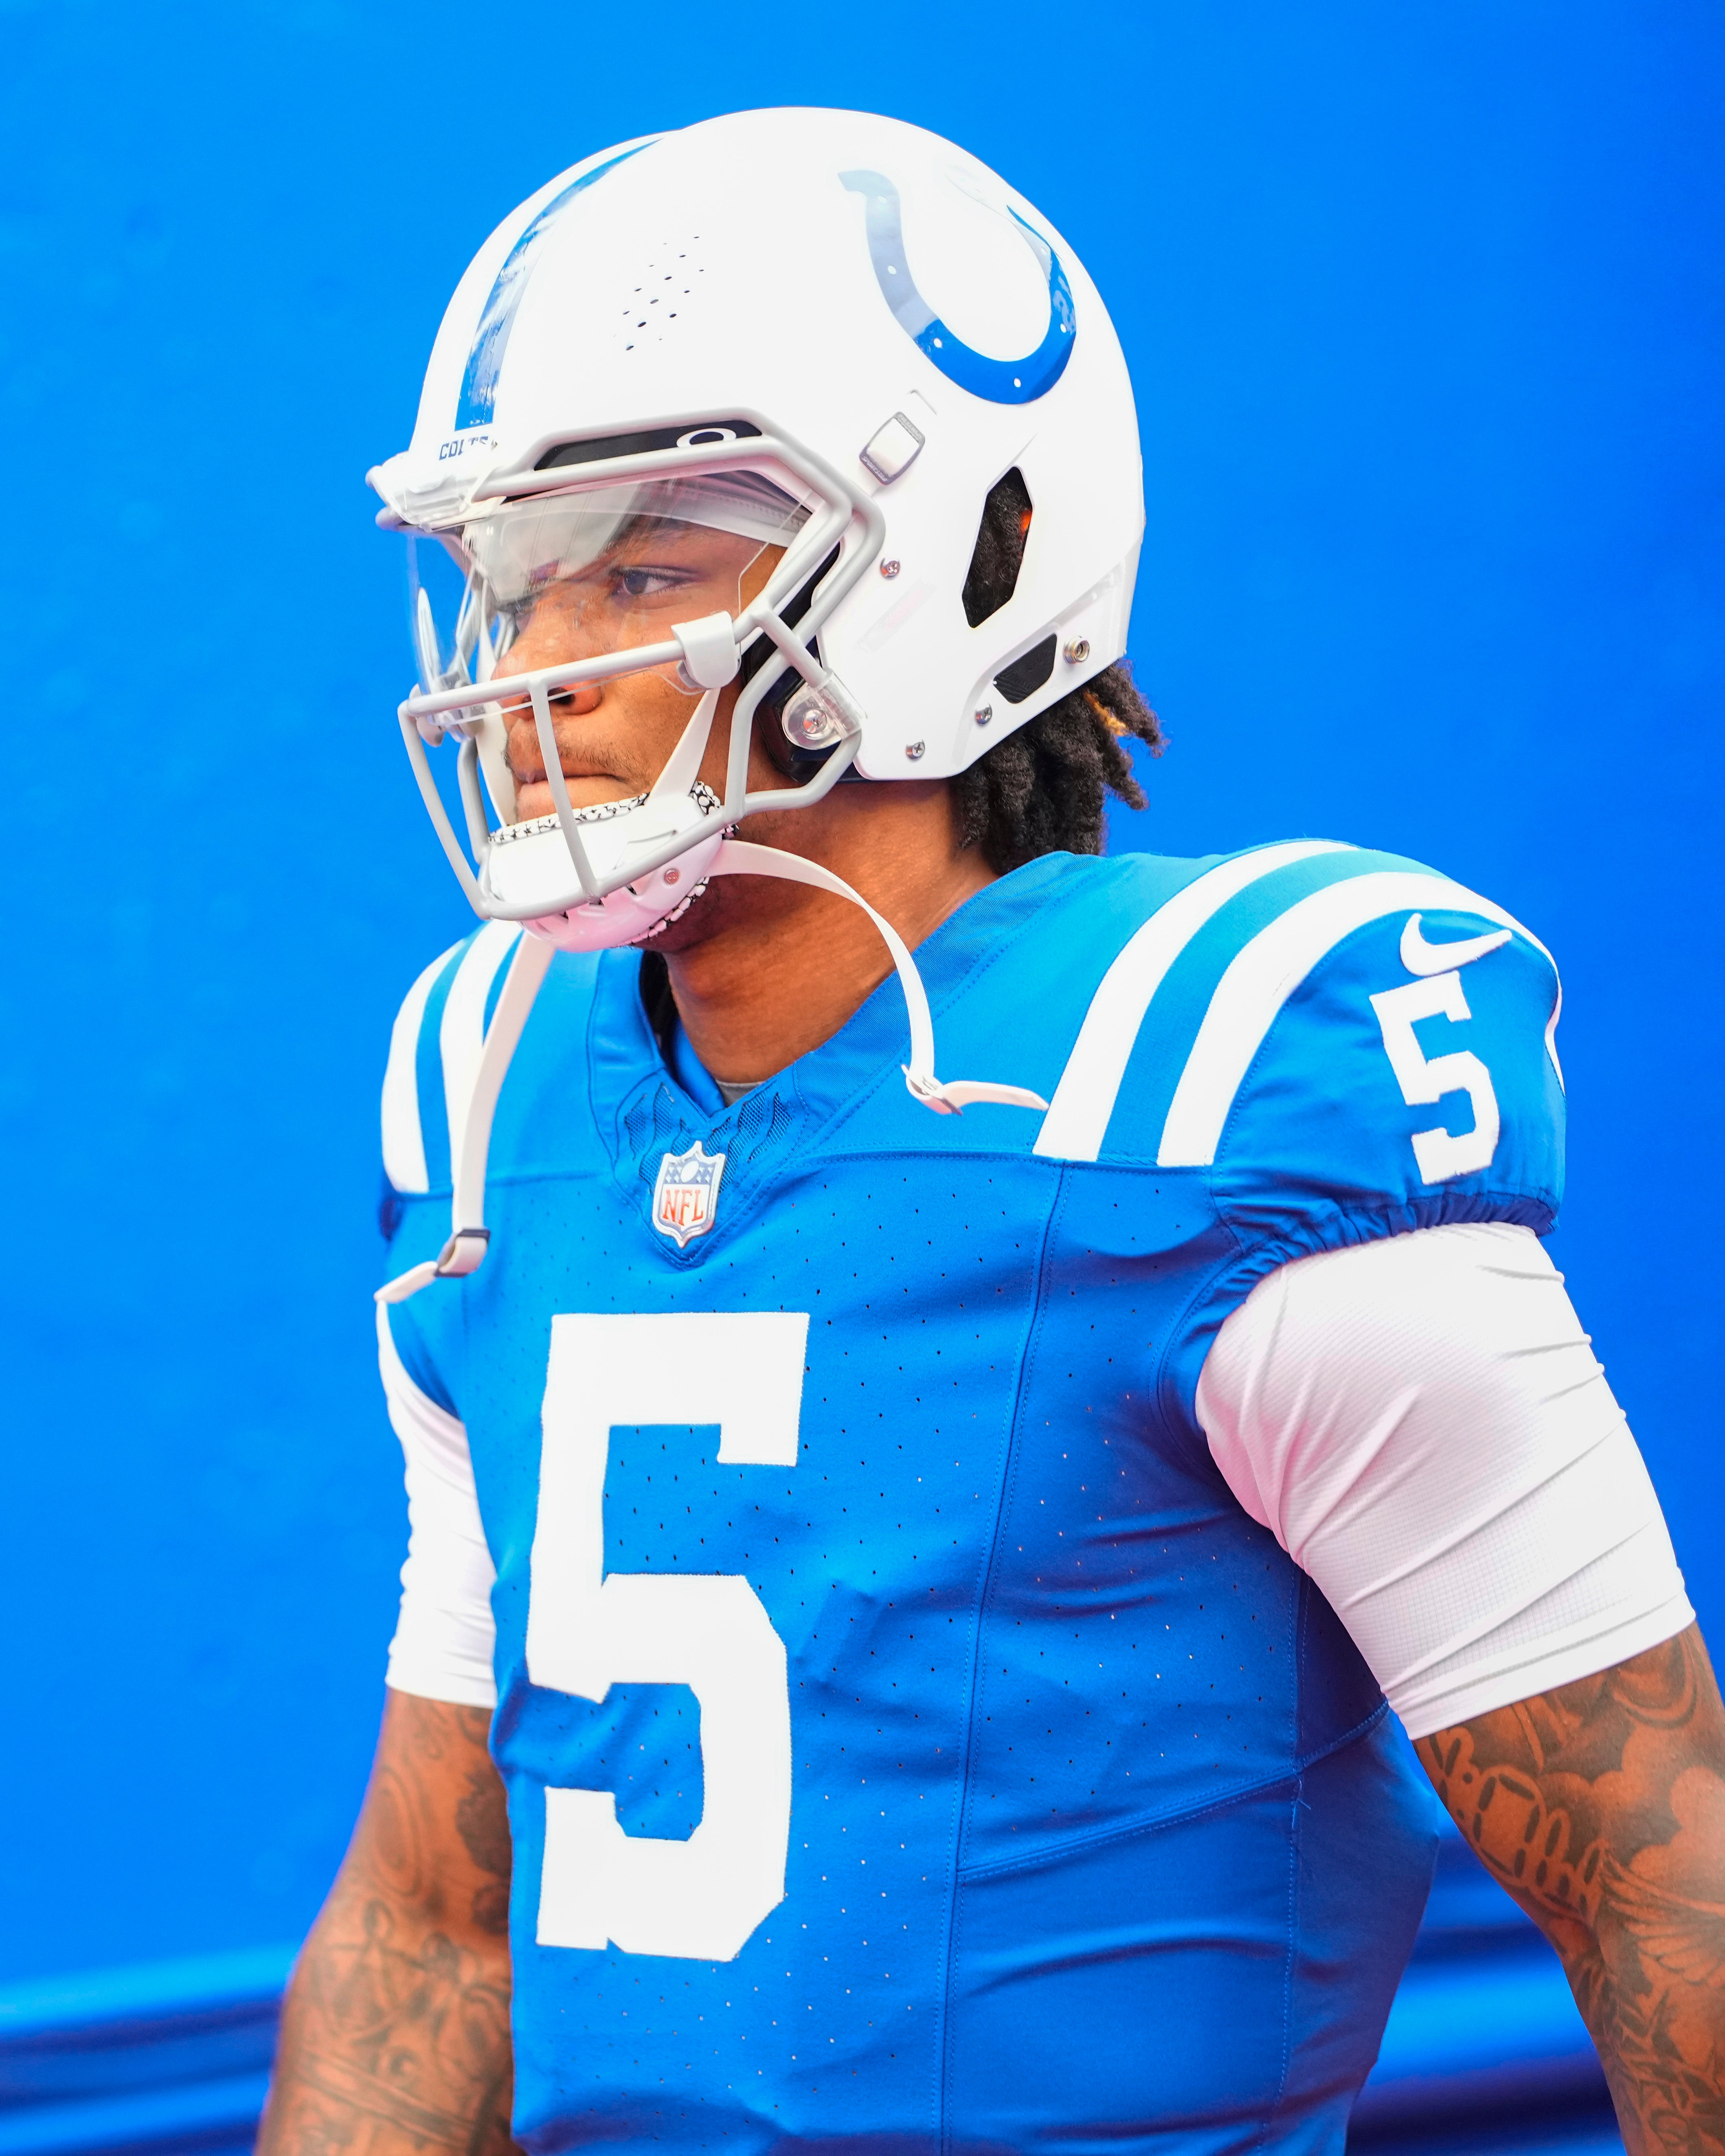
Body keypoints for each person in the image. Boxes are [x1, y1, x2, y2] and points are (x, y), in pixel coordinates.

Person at [259, 107, 1725, 2156]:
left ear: (961, 563)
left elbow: (1664, 1883)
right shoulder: (498, 1090)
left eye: (651, 569)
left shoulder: (1219, 1082)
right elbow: (436, 1936)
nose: (538, 675)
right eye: (516, 583)